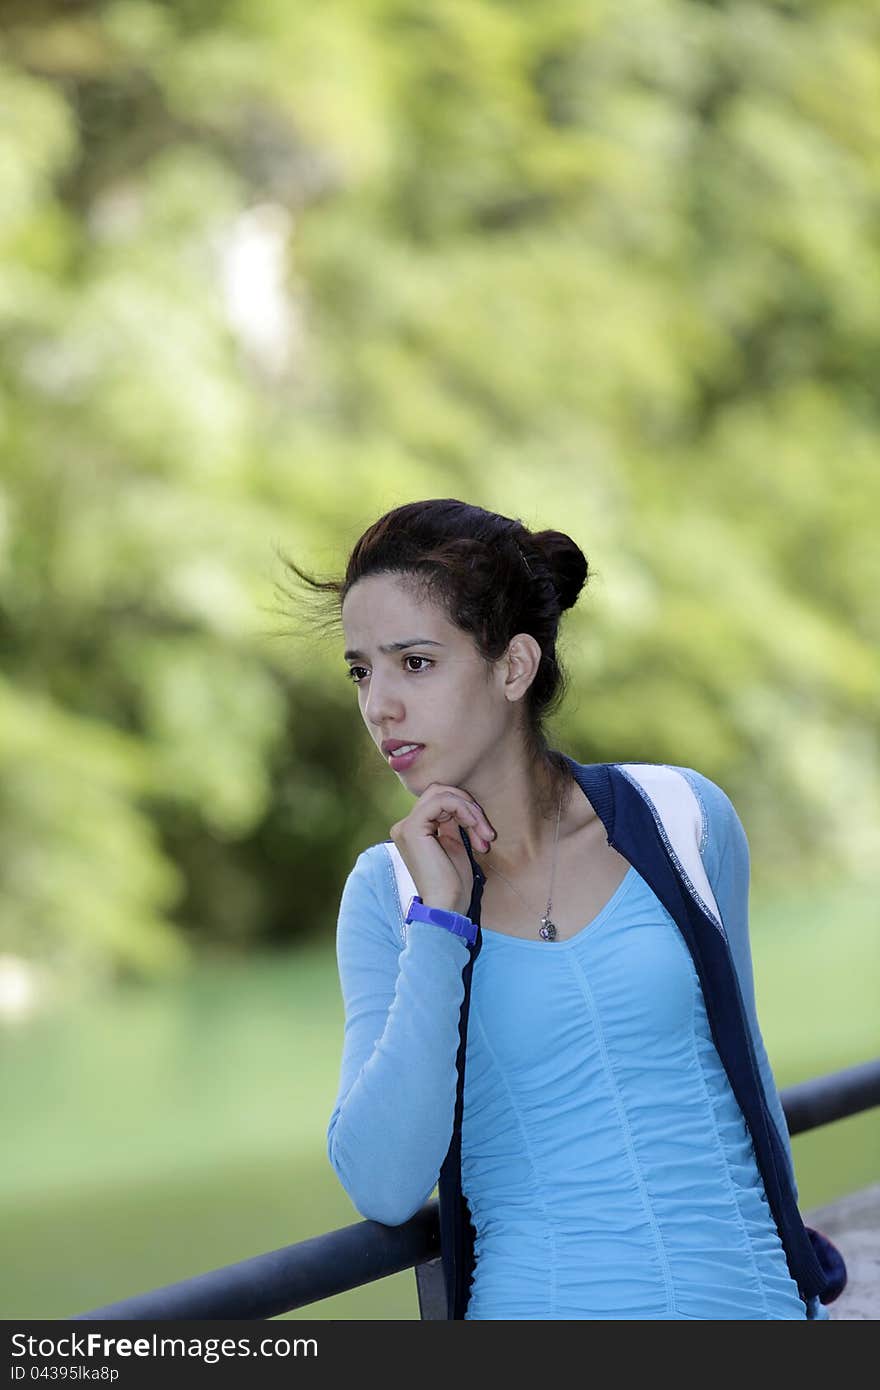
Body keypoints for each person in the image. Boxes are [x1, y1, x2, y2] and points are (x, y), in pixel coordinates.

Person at [284, 498, 836, 1319]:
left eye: (416, 663)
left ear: (513, 668)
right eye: (362, 670)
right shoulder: (388, 893)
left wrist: (809, 1292)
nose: (379, 706)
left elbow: (746, 1080)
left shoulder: (682, 818)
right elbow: (384, 1184)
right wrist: (439, 924)